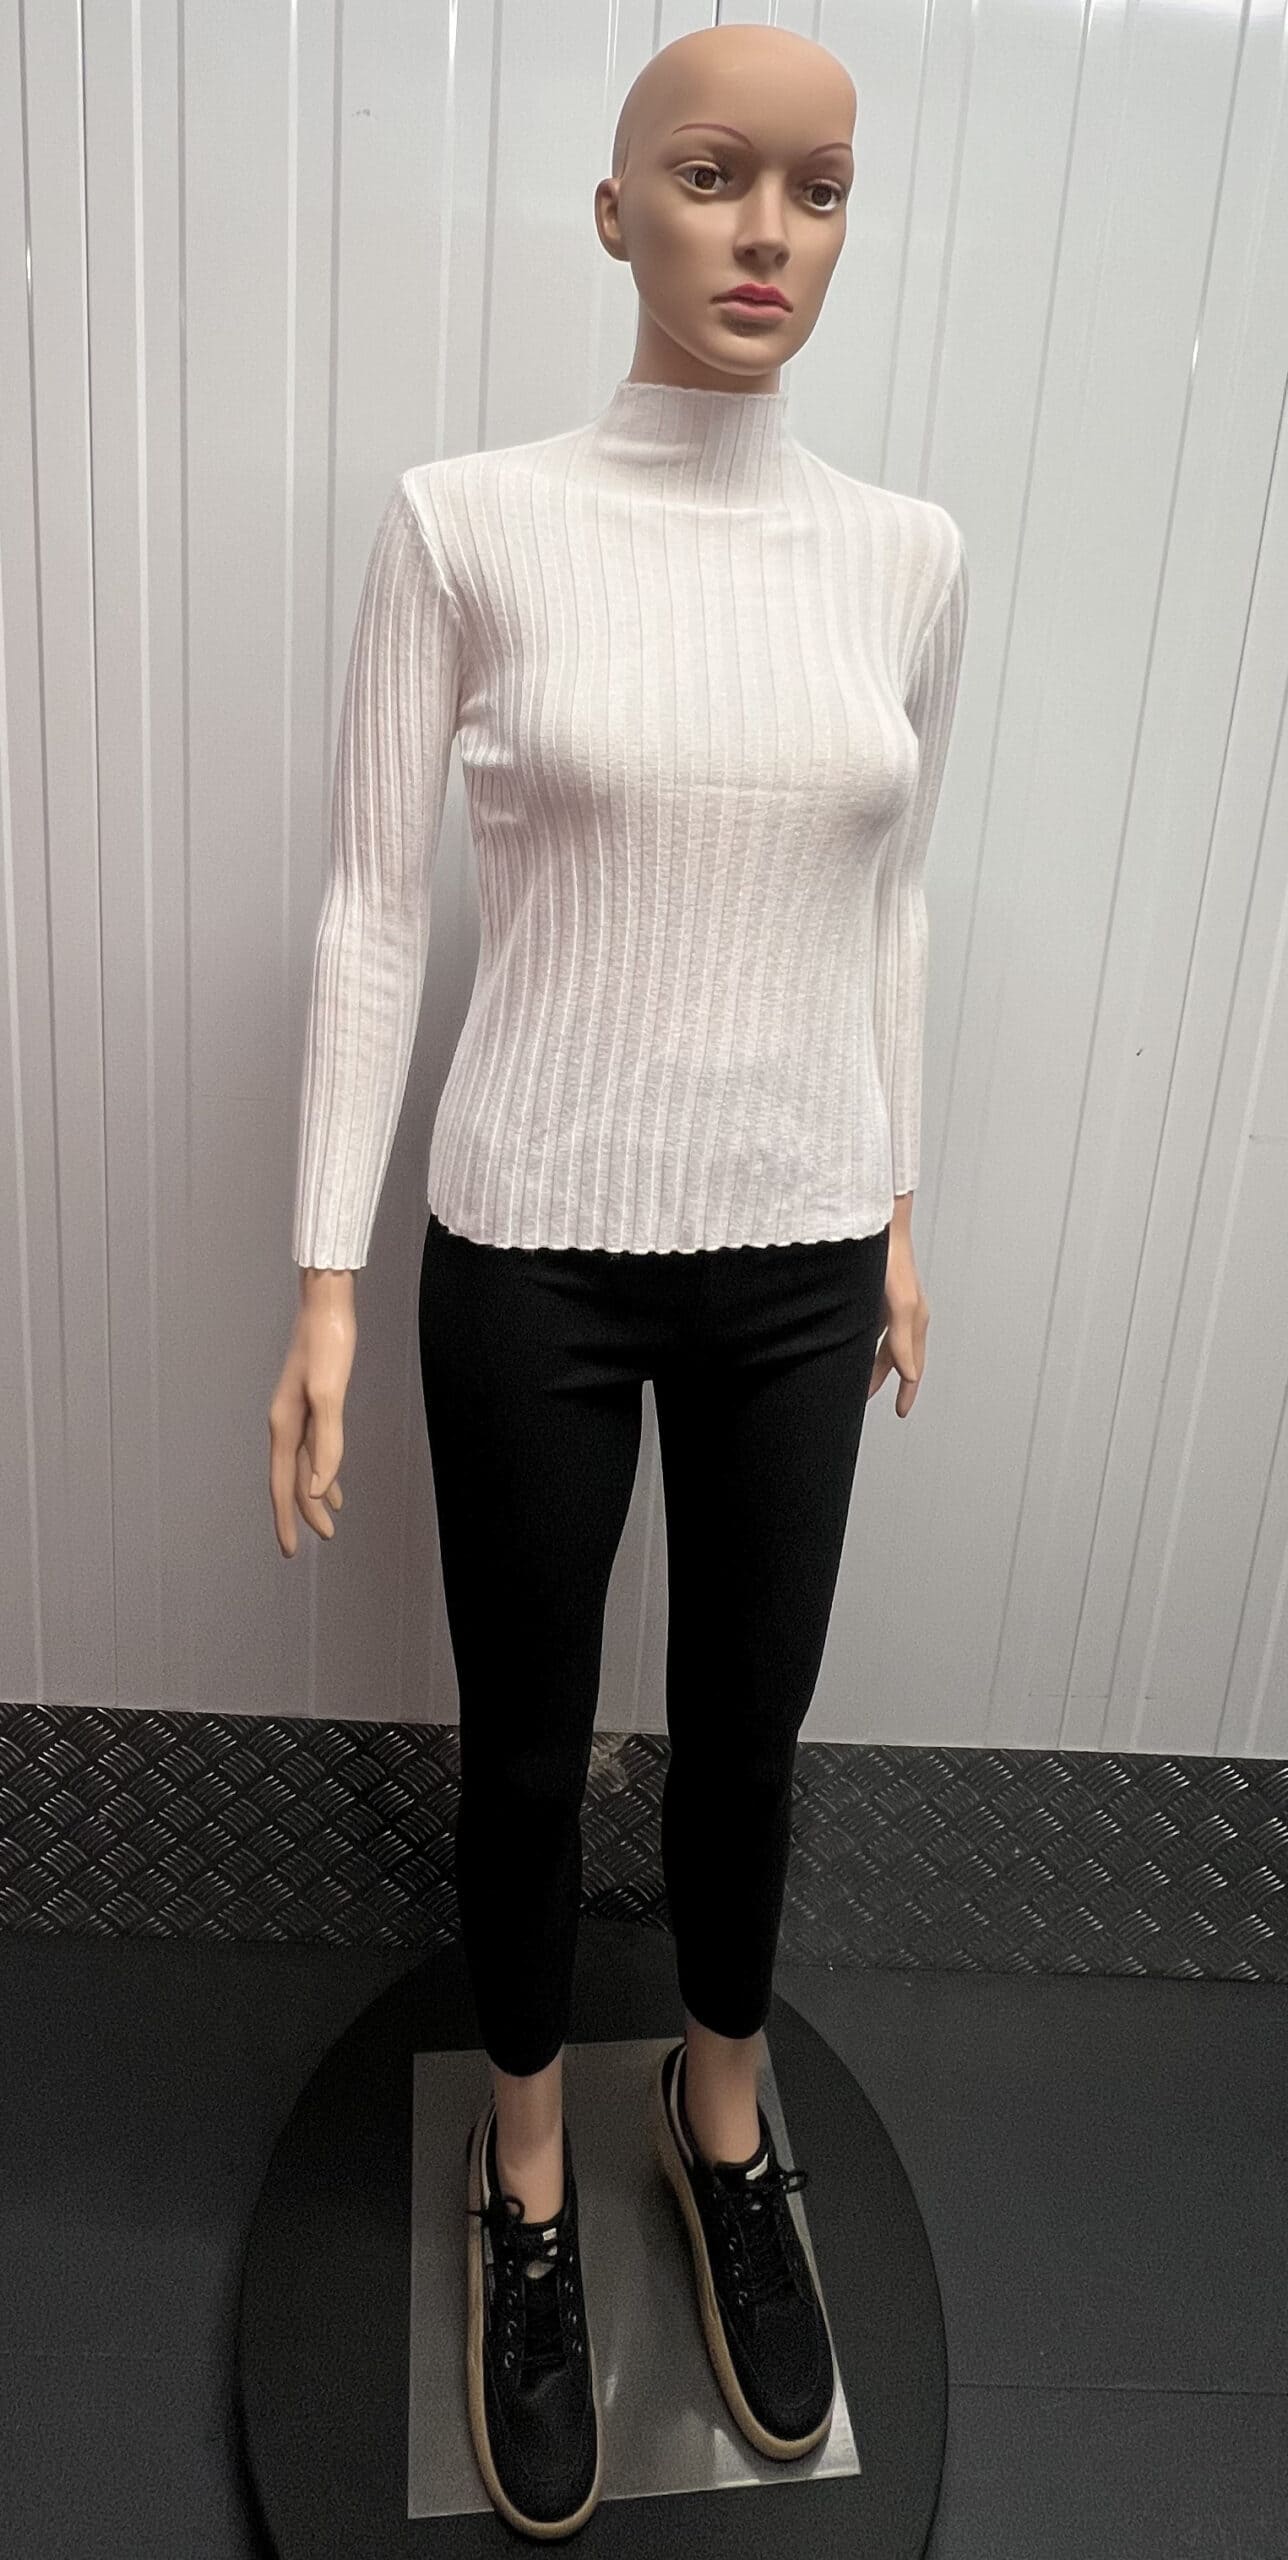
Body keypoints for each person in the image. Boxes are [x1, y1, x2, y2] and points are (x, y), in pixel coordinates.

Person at [268, 19, 968, 2542]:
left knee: (749, 1738)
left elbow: (888, 900)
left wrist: (897, 1203)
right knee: (528, 1751)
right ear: (612, 210)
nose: (766, 229)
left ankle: (720, 2115)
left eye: (816, 186)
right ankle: (529, 2171)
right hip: (533, 1240)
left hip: (801, 1241)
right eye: (709, 172)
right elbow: (373, 900)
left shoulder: (907, 555)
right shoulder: (470, 523)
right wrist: (325, 1273)